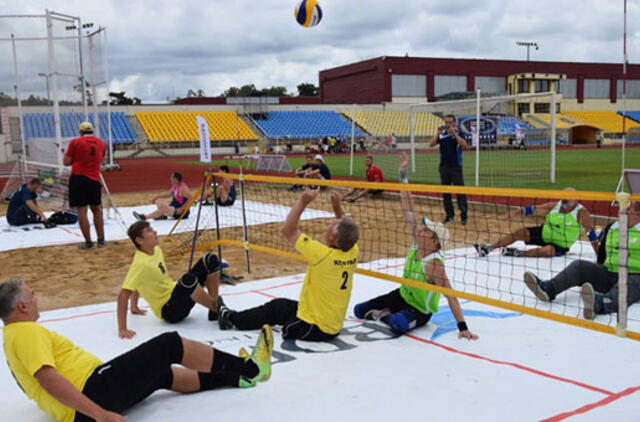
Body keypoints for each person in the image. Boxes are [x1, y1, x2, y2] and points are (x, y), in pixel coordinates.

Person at [0, 279, 273, 422]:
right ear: (22, 307)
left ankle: (238, 378)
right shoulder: (26, 332)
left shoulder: (12, 335)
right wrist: (99, 414)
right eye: (32, 294)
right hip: (95, 393)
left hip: (92, 396)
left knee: (163, 375)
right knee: (169, 344)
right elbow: (46, 378)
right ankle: (250, 368)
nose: (36, 298)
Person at [353, 153, 478, 339]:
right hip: (402, 295)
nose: (421, 230)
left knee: (398, 324)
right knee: (358, 310)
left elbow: (450, 295)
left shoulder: (434, 264)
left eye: (427, 230)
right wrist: (403, 176)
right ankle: (385, 312)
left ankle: (385, 315)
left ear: (435, 242)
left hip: (419, 309)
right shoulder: (416, 243)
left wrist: (462, 327)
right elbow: (408, 208)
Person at [216, 188, 359, 341]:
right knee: (279, 306)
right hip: (331, 325)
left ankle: (232, 319)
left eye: (331, 225)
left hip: (313, 328)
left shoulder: (322, 254)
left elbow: (288, 230)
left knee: (282, 320)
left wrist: (303, 201)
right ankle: (232, 318)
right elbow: (346, 231)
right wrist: (337, 207)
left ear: (333, 236)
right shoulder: (352, 251)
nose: (329, 224)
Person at [522, 201, 640, 320]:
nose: (621, 211)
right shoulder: (613, 227)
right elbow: (602, 255)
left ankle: (599, 304)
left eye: (627, 209)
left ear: (638, 214)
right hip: (610, 273)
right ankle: (549, 289)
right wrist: (596, 271)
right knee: (579, 266)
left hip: (635, 277)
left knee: (628, 284)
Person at [117, 221, 221, 339]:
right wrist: (122, 328)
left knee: (210, 260)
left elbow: (137, 281)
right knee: (188, 280)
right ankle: (219, 310)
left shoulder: (156, 250)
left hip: (176, 297)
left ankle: (214, 311)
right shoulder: (140, 264)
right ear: (140, 240)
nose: (154, 231)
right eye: (149, 231)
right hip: (170, 311)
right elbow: (123, 296)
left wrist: (134, 306)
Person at [474, 187, 598, 258]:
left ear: (575, 200)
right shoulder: (555, 205)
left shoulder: (581, 212)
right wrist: (515, 213)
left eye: (567, 198)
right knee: (520, 232)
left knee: (546, 251)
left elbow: (591, 233)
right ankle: (489, 248)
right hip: (543, 233)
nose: (564, 200)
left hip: (560, 244)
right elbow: (534, 209)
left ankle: (518, 253)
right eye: (563, 197)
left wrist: (598, 253)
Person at [63, 121, 106, 249]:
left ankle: (88, 242)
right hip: (94, 178)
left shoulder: (75, 142)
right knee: (97, 210)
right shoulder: (100, 143)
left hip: (78, 178)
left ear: (81, 131)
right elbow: (100, 158)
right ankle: (101, 240)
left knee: (82, 211)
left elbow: (66, 161)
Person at [429, 114, 468, 225]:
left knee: (460, 192)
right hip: (444, 167)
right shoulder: (442, 135)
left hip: (456, 167)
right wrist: (437, 134)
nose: (448, 124)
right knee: (446, 193)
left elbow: (464, 145)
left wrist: (454, 134)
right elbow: (431, 144)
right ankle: (449, 216)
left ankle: (464, 216)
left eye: (450, 122)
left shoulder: (460, 133)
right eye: (446, 122)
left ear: (454, 123)